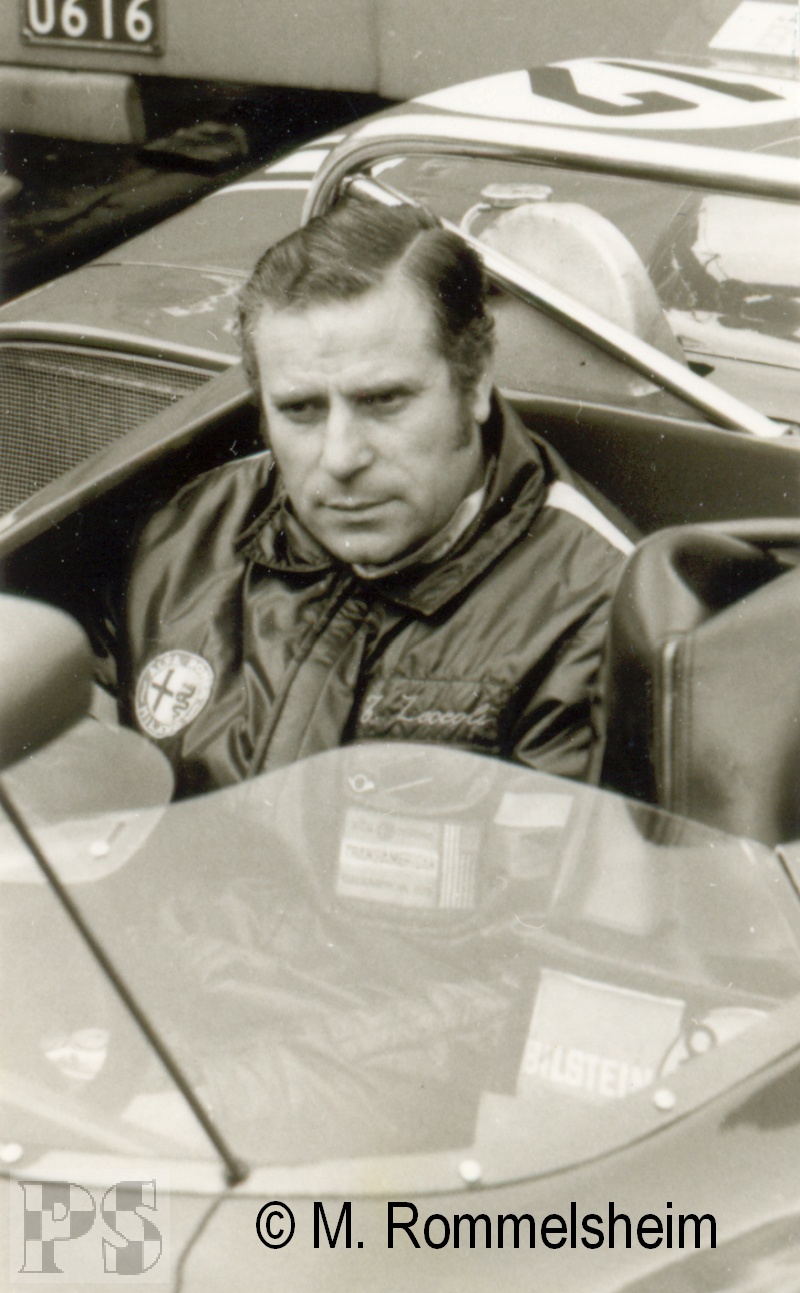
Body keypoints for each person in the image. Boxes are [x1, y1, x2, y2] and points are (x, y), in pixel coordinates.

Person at [115, 196, 631, 797]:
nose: (340, 458)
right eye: (300, 409)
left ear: (475, 381)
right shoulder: (189, 533)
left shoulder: (598, 613)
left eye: (384, 401)